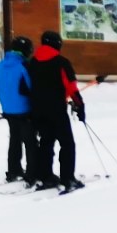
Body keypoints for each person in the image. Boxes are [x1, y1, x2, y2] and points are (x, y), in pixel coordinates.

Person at [25, 30, 86, 193]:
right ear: (57, 44)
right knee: (67, 144)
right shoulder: (61, 62)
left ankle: (46, 176)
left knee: (46, 142)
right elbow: (71, 87)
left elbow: (25, 87)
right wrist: (80, 106)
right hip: (57, 110)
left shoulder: (32, 62)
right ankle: (68, 178)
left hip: (37, 110)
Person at [0, 37, 35, 182]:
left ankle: (13, 170)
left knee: (15, 139)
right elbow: (31, 86)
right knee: (30, 142)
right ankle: (32, 172)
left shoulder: (0, 66)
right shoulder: (24, 65)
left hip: (8, 108)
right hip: (24, 109)